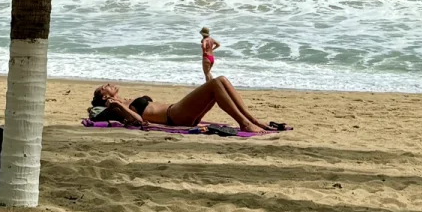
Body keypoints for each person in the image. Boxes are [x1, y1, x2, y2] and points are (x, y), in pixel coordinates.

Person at [89, 79, 285, 135]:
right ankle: (245, 123)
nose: (109, 84)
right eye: (105, 87)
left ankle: (252, 120)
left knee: (221, 82)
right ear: (105, 96)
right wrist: (118, 105)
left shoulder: (124, 101)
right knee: (216, 83)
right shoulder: (116, 107)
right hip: (174, 115)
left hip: (178, 112)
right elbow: (139, 121)